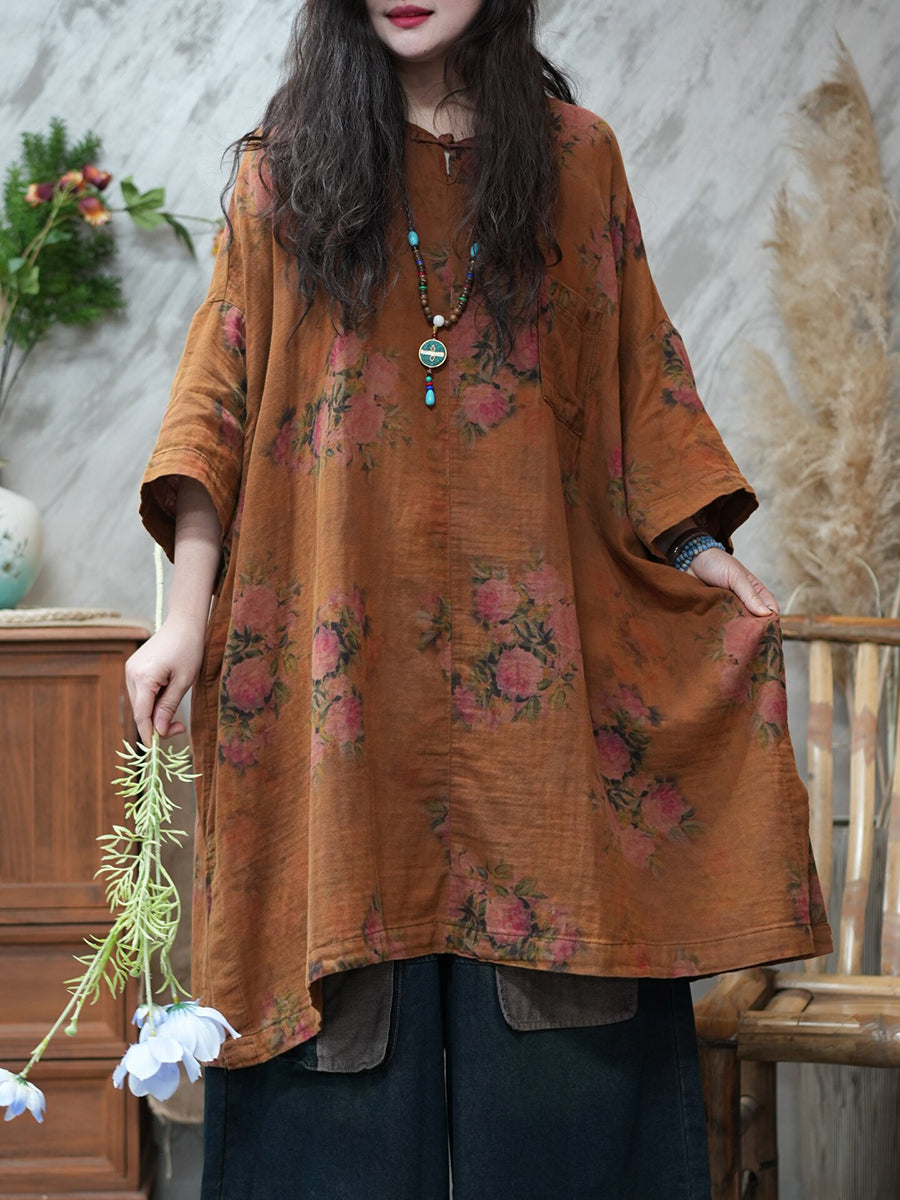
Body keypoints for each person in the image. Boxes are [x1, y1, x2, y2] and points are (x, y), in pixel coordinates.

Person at [127, 1, 833, 1196]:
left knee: (565, 1075)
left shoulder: (577, 162)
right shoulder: (281, 172)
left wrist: (701, 549)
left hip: (541, 725)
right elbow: (218, 405)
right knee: (332, 1075)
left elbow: (639, 383)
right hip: (336, 705)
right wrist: (184, 621)